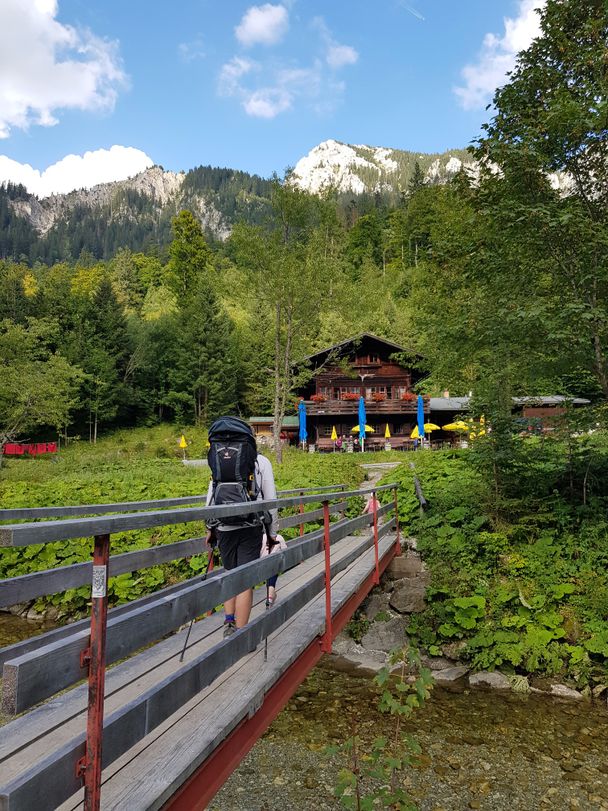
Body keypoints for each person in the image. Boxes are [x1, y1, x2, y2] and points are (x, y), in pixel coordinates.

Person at [206, 419, 278, 638]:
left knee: (230, 574)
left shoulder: (218, 458)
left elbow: (211, 492)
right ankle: (241, 633)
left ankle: (228, 621)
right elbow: (271, 498)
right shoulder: (260, 462)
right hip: (250, 525)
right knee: (245, 579)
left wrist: (209, 527)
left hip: (223, 525)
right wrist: (272, 533)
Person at [260, 532, 287, 605]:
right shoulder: (279, 537)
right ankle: (270, 598)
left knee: (268, 581)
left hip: (263, 564)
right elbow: (285, 550)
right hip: (275, 564)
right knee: (271, 582)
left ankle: (272, 596)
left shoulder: (261, 537)